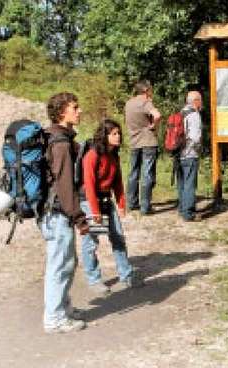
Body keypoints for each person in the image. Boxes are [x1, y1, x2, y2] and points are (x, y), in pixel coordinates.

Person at [39, 92, 89, 333]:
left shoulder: (59, 138)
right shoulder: (59, 143)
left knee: (68, 262)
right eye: (74, 108)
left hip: (55, 212)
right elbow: (64, 185)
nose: (79, 111)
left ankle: (63, 307)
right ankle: (54, 318)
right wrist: (79, 218)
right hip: (57, 213)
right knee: (59, 265)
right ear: (62, 113)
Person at [80, 119, 143, 294]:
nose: (118, 137)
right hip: (90, 201)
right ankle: (94, 280)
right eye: (114, 133)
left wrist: (121, 204)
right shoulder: (92, 156)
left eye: (119, 133)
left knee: (118, 238)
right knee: (91, 242)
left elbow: (117, 182)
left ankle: (127, 276)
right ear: (104, 135)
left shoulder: (114, 154)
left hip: (107, 200)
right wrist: (94, 211)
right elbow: (89, 185)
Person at [125, 80, 161, 215]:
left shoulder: (129, 103)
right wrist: (153, 125)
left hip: (134, 141)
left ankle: (131, 203)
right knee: (147, 173)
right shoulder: (146, 102)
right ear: (147, 91)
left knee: (133, 173)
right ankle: (145, 206)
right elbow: (157, 115)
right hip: (148, 142)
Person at [176, 91, 203, 222]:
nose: (201, 103)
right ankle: (188, 213)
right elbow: (195, 137)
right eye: (200, 100)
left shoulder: (181, 112)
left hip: (178, 153)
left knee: (181, 182)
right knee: (190, 183)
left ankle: (182, 208)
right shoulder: (194, 115)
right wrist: (198, 150)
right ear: (195, 101)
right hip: (190, 153)